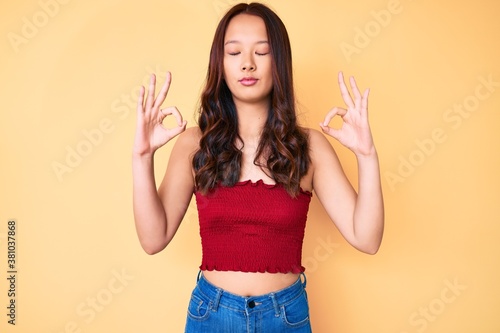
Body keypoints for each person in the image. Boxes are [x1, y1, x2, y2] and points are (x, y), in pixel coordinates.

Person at [132, 2, 384, 332]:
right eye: (234, 52)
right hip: (211, 316)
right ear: (220, 64)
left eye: (262, 52)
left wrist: (367, 156)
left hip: (286, 318)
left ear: (279, 61)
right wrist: (141, 157)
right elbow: (153, 239)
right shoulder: (194, 144)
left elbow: (367, 239)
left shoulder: (310, 147)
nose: (247, 64)